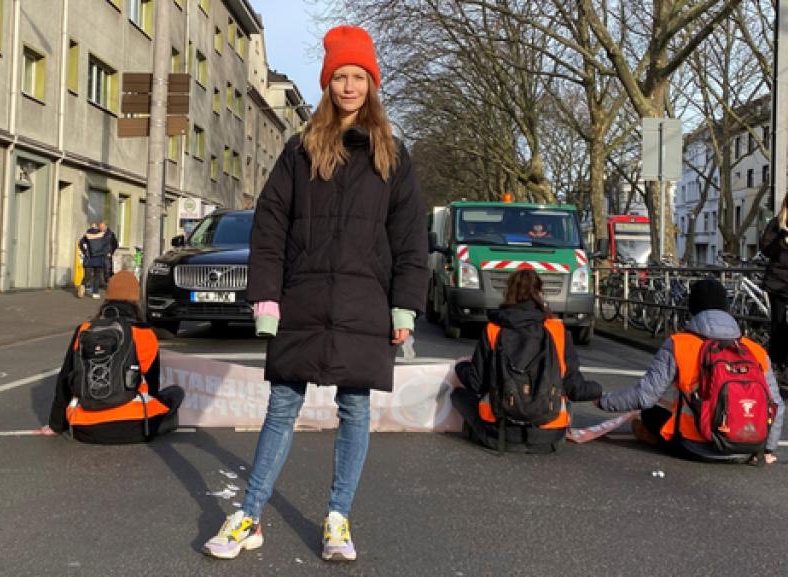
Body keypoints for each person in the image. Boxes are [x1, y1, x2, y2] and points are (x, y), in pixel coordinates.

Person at [202, 25, 428, 562]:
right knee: (281, 407)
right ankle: (250, 515)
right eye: (339, 77)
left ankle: (337, 519)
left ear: (371, 85)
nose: (349, 87)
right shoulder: (299, 151)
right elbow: (271, 225)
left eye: (358, 77)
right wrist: (267, 298)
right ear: (327, 85)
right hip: (303, 299)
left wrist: (405, 306)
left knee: (355, 409)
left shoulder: (392, 156)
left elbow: (409, 236)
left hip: (363, 304)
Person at [597, 279, 784, 464]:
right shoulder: (755, 350)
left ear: (692, 309)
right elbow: (776, 404)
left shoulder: (679, 344)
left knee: (649, 413)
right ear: (727, 309)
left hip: (694, 446)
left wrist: (603, 401)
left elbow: (644, 397)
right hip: (747, 450)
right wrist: (767, 449)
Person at [451, 270, 602, 453]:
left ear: (508, 293)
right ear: (539, 294)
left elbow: (476, 383)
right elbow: (574, 388)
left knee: (459, 394)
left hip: (499, 434)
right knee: (562, 394)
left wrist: (461, 366)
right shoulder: (557, 330)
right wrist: (598, 390)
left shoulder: (493, 329)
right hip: (549, 438)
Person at [47, 271, 183, 443]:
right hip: (135, 427)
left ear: (107, 298)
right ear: (136, 300)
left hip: (84, 428)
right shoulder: (144, 332)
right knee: (175, 393)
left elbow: (65, 379)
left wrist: (55, 425)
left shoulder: (84, 329)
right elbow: (151, 385)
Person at [760, 196, 788, 382]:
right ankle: (777, 364)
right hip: (778, 281)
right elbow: (765, 248)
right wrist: (781, 237)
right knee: (778, 322)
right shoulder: (777, 224)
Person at [78, 221, 118, 299]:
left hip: (89, 258)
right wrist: (109, 252)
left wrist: (84, 251)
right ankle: (95, 293)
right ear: (98, 227)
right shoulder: (103, 235)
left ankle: (82, 285)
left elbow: (80, 243)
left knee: (87, 275)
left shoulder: (87, 235)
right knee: (97, 276)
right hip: (99, 258)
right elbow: (107, 246)